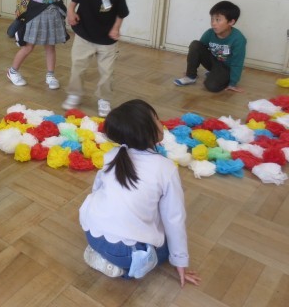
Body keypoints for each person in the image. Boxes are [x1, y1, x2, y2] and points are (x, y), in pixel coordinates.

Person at [79, 99, 201, 287]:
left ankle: (101, 254)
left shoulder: (113, 155)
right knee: (164, 249)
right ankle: (123, 271)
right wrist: (180, 261)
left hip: (91, 233)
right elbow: (174, 219)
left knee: (146, 226)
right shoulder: (166, 168)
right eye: (156, 119)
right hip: (125, 253)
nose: (161, 122)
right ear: (146, 131)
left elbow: (97, 190)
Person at [62, 0, 129, 118]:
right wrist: (71, 12)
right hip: (83, 35)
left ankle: (104, 99)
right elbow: (73, 3)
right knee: (78, 66)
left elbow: (122, 13)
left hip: (107, 40)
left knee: (107, 72)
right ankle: (75, 93)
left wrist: (116, 28)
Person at [174, 1, 246, 93]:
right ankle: (190, 77)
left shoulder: (238, 39)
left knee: (211, 86)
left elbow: (237, 63)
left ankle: (218, 76)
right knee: (195, 44)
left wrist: (233, 83)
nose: (213, 23)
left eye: (218, 20)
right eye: (212, 19)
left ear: (231, 22)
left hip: (226, 68)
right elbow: (198, 50)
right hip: (214, 62)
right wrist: (190, 70)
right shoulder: (209, 33)